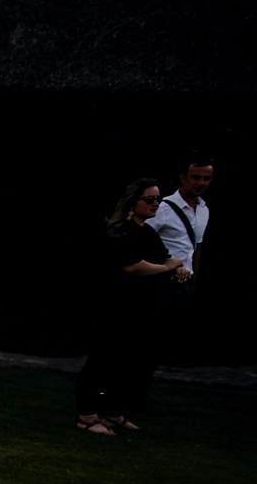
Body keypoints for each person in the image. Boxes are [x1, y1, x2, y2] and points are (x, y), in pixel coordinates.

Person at [77, 176, 190, 436]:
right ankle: (87, 415)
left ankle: (113, 412)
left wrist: (177, 266)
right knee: (101, 361)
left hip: (141, 309)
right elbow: (133, 266)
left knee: (126, 363)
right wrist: (166, 267)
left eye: (157, 198)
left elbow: (166, 257)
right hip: (115, 308)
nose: (155, 203)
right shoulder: (120, 231)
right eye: (149, 199)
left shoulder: (147, 232)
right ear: (133, 201)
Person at [150, 155, 213, 302]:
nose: (201, 183)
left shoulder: (204, 210)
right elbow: (141, 240)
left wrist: (192, 285)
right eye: (195, 177)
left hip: (185, 284)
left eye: (206, 178)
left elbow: (196, 248)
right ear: (183, 178)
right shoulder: (162, 208)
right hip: (162, 281)